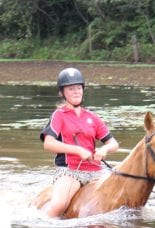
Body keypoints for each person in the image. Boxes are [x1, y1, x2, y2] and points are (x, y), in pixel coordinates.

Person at [39, 67, 119, 218]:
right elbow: (48, 143)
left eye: (78, 88)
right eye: (70, 89)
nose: (76, 91)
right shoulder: (59, 115)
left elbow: (114, 143)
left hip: (97, 172)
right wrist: (78, 150)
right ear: (62, 93)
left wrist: (104, 150)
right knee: (58, 206)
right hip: (70, 172)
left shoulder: (92, 117)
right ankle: (45, 226)